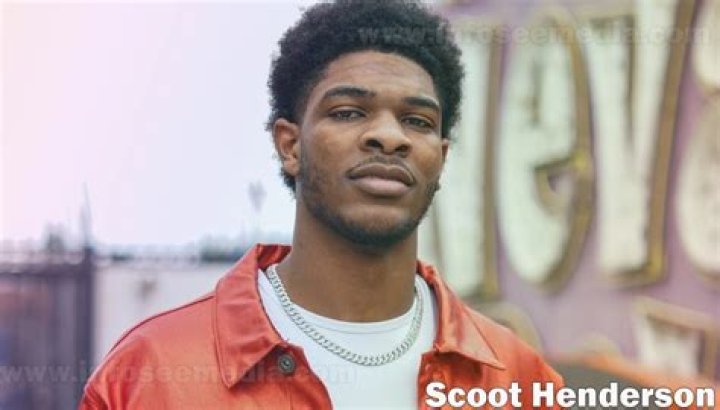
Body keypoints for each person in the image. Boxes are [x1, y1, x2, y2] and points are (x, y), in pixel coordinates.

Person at [80, 0, 563, 408]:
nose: (389, 136)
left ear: (441, 156)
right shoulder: (151, 374)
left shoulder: (520, 382)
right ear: (290, 146)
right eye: (349, 112)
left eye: (417, 121)